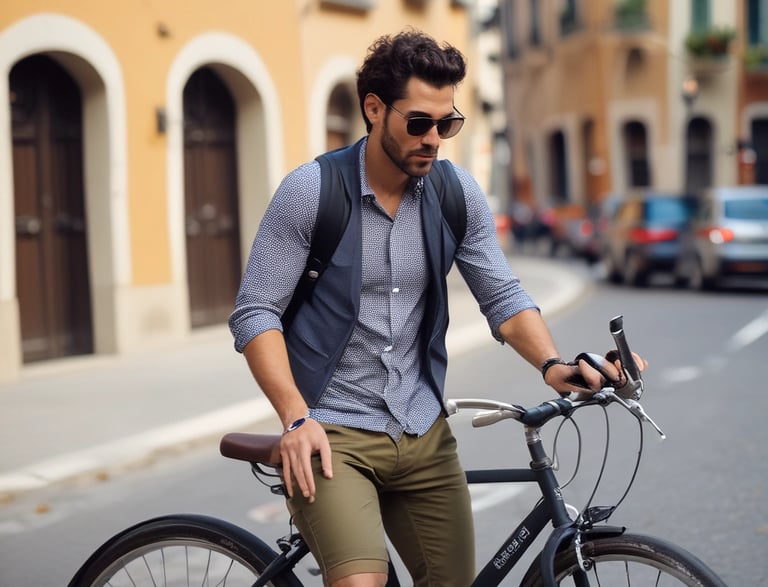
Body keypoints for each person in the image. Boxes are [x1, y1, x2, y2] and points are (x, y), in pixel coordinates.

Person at [229, 29, 646, 587]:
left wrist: (553, 366)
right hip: (331, 433)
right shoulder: (312, 192)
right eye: (419, 123)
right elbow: (256, 311)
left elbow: (501, 294)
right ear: (374, 110)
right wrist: (294, 417)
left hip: (423, 431)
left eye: (446, 124)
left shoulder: (455, 194)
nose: (434, 139)